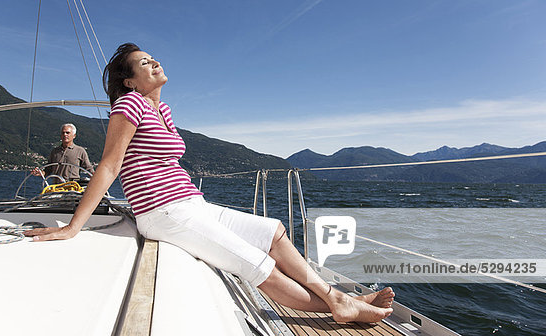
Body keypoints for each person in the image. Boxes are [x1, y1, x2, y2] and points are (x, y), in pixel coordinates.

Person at [25, 43, 394, 323]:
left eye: (153, 58)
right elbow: (109, 165)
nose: (153, 63)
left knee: (275, 232)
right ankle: (343, 307)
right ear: (130, 81)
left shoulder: (163, 110)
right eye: (143, 63)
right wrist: (74, 226)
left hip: (191, 203)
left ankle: (338, 298)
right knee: (256, 264)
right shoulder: (130, 104)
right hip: (162, 211)